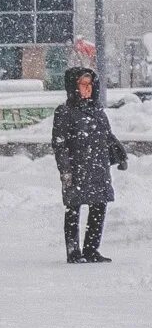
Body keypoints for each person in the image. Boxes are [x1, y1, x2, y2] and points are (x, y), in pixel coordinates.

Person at [52, 67, 127, 263]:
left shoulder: (97, 110)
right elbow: (59, 145)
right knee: (73, 209)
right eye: (83, 85)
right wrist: (65, 170)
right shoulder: (65, 112)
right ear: (73, 87)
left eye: (90, 84)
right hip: (77, 170)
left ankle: (91, 249)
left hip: (98, 168)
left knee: (98, 208)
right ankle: (73, 251)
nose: (88, 89)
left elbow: (107, 135)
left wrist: (120, 154)